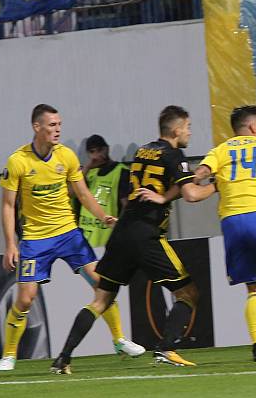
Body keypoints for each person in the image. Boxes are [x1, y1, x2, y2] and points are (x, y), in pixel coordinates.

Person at [138, 105, 256, 362]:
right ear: (252, 127)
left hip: (232, 223)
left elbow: (199, 176)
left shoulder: (221, 151)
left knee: (254, 287)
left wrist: (183, 187)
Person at [50, 106, 201, 374]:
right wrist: (217, 184)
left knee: (101, 300)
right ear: (176, 130)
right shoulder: (174, 153)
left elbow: (168, 183)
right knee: (188, 293)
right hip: (146, 234)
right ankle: (167, 348)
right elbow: (191, 194)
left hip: (122, 232)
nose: (190, 131)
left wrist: (167, 193)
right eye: (188, 127)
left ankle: (63, 359)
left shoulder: (143, 151)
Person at [0, 104, 144, 372]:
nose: (58, 130)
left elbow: (84, 193)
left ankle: (119, 340)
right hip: (35, 239)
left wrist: (103, 217)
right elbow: (8, 205)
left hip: (68, 234)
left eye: (59, 125)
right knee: (26, 298)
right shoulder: (18, 161)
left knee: (103, 284)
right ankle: (9, 354)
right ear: (36, 127)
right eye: (52, 125)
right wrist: (9, 244)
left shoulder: (66, 157)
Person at [76, 134, 130, 248]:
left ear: (107, 148)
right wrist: (87, 167)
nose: (97, 155)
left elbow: (127, 205)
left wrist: (121, 229)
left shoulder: (121, 172)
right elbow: (74, 191)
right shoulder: (89, 173)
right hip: (86, 237)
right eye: (92, 151)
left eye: (100, 150)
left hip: (107, 237)